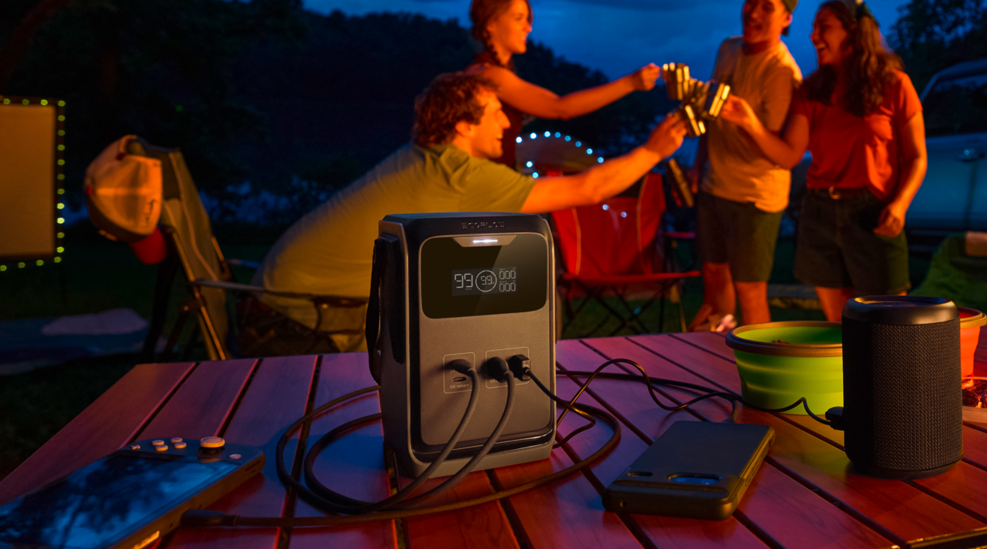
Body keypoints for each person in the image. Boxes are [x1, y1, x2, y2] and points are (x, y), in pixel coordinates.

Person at [246, 71, 688, 353]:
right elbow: (590, 189)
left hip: (279, 305)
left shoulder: (428, 157)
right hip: (296, 326)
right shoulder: (460, 173)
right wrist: (654, 149)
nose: (505, 123)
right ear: (464, 125)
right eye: (496, 113)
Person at [718, 0, 928, 323]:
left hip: (873, 214)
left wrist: (900, 205)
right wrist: (749, 122)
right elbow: (789, 155)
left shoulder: (895, 85)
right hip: (821, 213)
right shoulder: (812, 90)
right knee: (839, 328)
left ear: (855, 32)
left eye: (824, 27)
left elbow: (916, 157)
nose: (814, 36)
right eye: (814, 28)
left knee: (890, 326)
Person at [687, 0, 804, 332]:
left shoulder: (782, 72)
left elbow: (782, 153)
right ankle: (717, 358)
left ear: (785, 19)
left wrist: (749, 121)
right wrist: (698, 163)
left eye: (766, 7)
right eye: (750, 2)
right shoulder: (728, 48)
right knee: (713, 277)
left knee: (751, 292)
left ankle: (759, 370)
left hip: (756, 195)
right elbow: (711, 112)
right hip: (714, 184)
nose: (753, 13)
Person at [466, 0, 660, 168]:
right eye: (518, 18)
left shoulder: (490, 71)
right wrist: (631, 83)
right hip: (489, 194)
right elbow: (561, 108)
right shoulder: (490, 75)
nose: (528, 28)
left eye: (528, 20)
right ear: (491, 23)